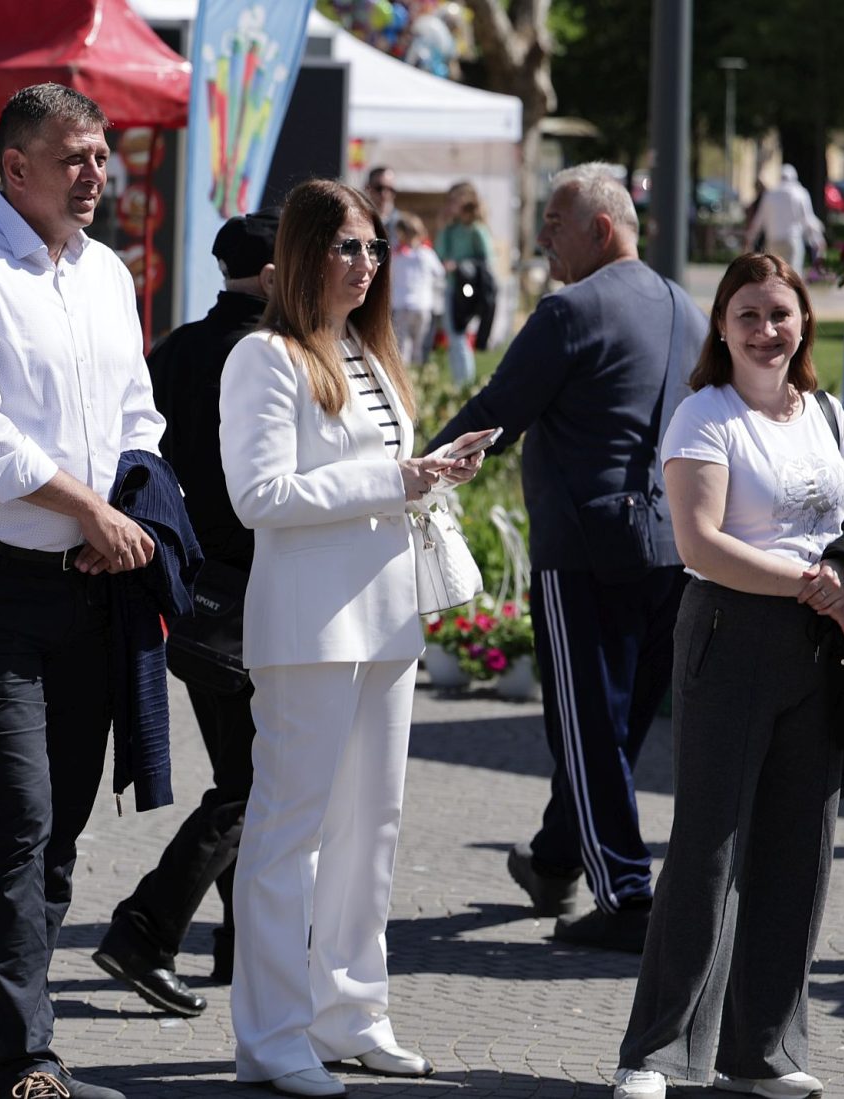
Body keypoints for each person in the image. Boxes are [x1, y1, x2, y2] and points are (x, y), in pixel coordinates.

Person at [0, 82, 166, 1099]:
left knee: (59, 825)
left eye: (101, 154)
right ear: (16, 168)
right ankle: (22, 1058)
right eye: (74, 158)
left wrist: (122, 508)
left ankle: (4, 1048)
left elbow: (138, 414)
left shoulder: (105, 274)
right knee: (16, 814)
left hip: (87, 587)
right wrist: (87, 509)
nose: (97, 174)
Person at [220, 178, 489, 1098]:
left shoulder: (368, 354)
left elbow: (378, 475)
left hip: (386, 617)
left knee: (372, 827)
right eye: (348, 246)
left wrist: (429, 472)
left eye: (374, 248)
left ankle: (352, 1014)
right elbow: (260, 496)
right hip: (309, 627)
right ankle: (272, 1036)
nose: (367, 264)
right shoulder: (265, 358)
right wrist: (394, 480)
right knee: (288, 833)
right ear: (302, 254)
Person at [428, 162, 707, 952]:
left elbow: (495, 413)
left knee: (588, 730)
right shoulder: (686, 308)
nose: (543, 234)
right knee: (611, 729)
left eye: (556, 221)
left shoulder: (569, 310)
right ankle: (555, 859)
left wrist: (411, 478)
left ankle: (626, 896)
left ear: (603, 229)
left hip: (587, 550)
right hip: (673, 550)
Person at [610, 253, 844, 1099]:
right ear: (721, 324)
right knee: (709, 848)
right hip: (731, 633)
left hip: (820, 645)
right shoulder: (704, 414)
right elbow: (701, 543)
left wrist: (835, 582)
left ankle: (764, 1051)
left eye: (781, 313)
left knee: (800, 846)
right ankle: (656, 1054)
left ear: (805, 321)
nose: (766, 329)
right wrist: (813, 584)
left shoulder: (827, 413)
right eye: (748, 313)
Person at [91, 209, 278, 1018]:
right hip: (257, 594)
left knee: (244, 769)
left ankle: (242, 940)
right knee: (256, 780)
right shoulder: (271, 355)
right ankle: (146, 928)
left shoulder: (175, 351)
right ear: (273, 276)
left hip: (191, 596)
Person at [434, 181, 495, 386]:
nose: (450, 204)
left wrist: (459, 265)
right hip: (452, 286)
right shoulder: (452, 229)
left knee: (458, 333)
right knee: (454, 334)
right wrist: (443, 226)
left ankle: (464, 383)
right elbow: (440, 254)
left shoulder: (476, 229)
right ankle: (460, 382)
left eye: (455, 200)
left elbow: (487, 261)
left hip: (467, 288)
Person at [389, 213, 445, 368]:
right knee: (420, 347)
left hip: (401, 305)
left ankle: (406, 376)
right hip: (422, 305)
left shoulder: (396, 255)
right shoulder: (426, 254)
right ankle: (420, 375)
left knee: (402, 347)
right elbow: (440, 273)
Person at [743, 164, 818, 272]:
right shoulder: (800, 193)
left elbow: (759, 220)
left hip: (773, 239)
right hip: (792, 239)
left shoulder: (770, 195)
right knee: (793, 273)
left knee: (774, 273)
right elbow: (808, 219)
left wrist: (750, 237)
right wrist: (816, 239)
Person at [364, 165, 403, 238]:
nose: (385, 194)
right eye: (379, 188)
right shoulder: (360, 222)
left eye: (390, 189)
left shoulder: (403, 224)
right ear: (367, 188)